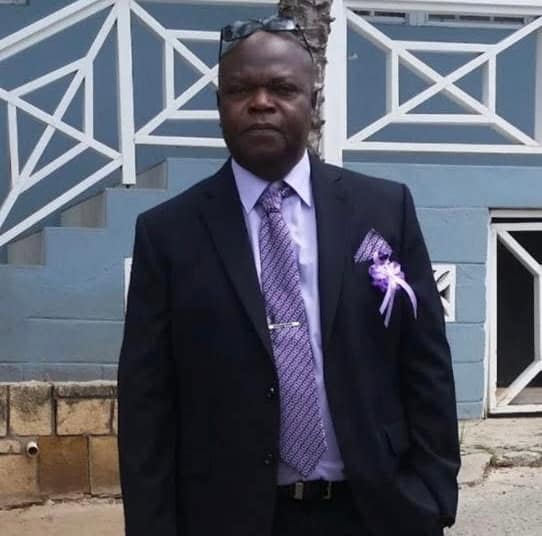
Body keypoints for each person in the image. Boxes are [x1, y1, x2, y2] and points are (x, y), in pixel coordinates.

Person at [118, 15, 460, 536]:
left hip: (375, 511)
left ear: (312, 102)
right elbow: (147, 402)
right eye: (240, 90)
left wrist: (434, 496)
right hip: (228, 518)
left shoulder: (384, 210)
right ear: (219, 104)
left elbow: (426, 362)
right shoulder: (167, 234)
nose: (261, 103)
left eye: (282, 88)